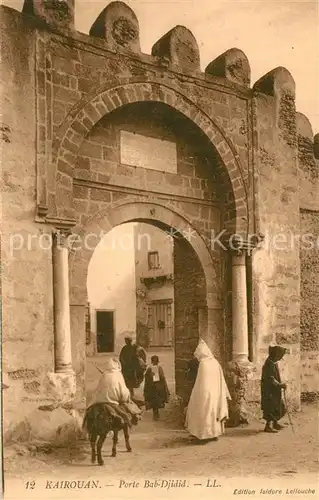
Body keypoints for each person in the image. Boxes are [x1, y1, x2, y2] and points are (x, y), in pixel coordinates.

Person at [185, 338, 231, 442]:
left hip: (205, 393)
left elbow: (201, 382)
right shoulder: (215, 362)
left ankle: (203, 435)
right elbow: (220, 380)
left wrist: (196, 395)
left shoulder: (203, 364)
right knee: (213, 413)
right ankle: (214, 434)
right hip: (216, 393)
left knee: (204, 413)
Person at [88, 357, 142, 427]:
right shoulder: (118, 375)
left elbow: (98, 389)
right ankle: (134, 417)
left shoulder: (105, 374)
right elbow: (123, 391)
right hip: (113, 401)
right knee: (130, 405)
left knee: (88, 411)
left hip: (99, 400)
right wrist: (127, 398)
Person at [261, 345, 287, 433]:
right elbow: (271, 379)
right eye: (280, 356)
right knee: (270, 407)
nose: (280, 358)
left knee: (279, 406)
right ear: (276, 355)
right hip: (269, 391)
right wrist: (280, 385)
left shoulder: (273, 363)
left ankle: (275, 423)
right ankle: (268, 426)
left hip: (274, 390)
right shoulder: (269, 364)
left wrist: (279, 385)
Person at [144, 355, 170, 420]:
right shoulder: (157, 368)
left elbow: (147, 378)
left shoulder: (150, 368)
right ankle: (156, 415)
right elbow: (160, 378)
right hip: (156, 388)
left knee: (154, 402)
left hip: (152, 388)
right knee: (156, 402)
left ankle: (156, 414)